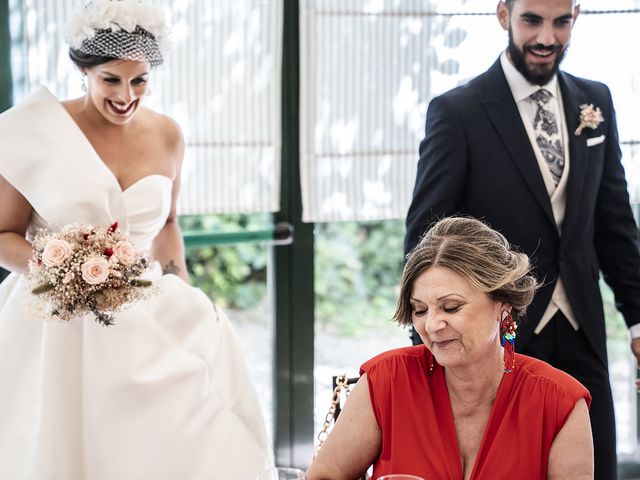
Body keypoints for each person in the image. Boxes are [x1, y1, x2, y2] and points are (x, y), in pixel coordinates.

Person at [0, 1, 273, 478]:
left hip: (147, 301)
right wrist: (61, 271)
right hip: (58, 318)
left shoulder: (168, 135)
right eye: (112, 79)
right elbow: (3, 235)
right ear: (82, 70)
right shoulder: (34, 133)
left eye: (140, 79)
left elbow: (167, 224)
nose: (127, 95)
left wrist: (182, 288)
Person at [404, 1, 640, 478]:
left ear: (576, 15)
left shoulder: (596, 102)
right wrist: (427, 343)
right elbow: (426, 241)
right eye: (532, 20)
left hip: (582, 328)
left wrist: (638, 321)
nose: (547, 38)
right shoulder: (457, 112)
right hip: (496, 334)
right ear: (503, 15)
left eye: (561, 22)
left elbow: (614, 223)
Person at [307, 217, 593, 480]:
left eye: (451, 307)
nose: (431, 325)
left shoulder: (559, 403)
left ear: (503, 307)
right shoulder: (386, 381)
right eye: (419, 310)